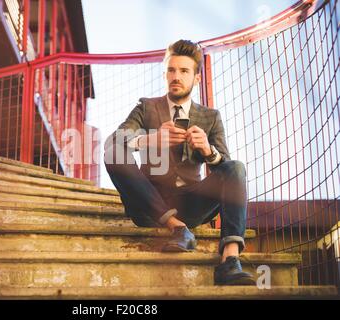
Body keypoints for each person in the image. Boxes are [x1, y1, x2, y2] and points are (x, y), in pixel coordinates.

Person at [104, 39, 255, 286]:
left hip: (192, 202)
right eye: (171, 70)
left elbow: (228, 169)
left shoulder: (210, 117)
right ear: (164, 73)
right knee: (112, 151)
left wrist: (208, 151)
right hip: (149, 203)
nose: (176, 76)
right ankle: (177, 227)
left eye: (184, 71)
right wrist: (149, 140)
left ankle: (229, 261)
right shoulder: (146, 106)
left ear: (196, 77)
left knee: (236, 167)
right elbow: (117, 138)